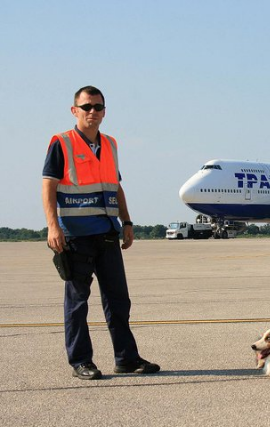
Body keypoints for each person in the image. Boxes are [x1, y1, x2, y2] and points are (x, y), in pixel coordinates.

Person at [42, 86, 159, 380]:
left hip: (107, 233)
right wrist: (53, 227)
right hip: (75, 235)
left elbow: (115, 187)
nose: (92, 112)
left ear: (105, 111)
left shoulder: (110, 144)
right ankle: (81, 361)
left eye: (97, 107)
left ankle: (127, 359)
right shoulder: (61, 143)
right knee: (78, 302)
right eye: (86, 107)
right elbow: (48, 185)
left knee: (118, 300)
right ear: (75, 111)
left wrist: (128, 222)